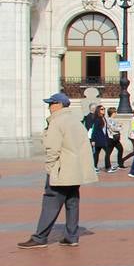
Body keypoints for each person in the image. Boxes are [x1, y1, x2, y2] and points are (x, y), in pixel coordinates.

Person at [18, 92, 98, 249]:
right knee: (72, 201)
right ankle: (71, 236)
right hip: (74, 170)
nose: (49, 107)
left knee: (51, 201)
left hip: (61, 169)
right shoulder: (76, 121)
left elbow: (52, 148)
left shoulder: (57, 122)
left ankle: (40, 237)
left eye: (51, 103)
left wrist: (50, 167)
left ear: (60, 105)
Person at [88, 104, 115, 172]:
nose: (103, 110)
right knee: (100, 153)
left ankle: (97, 166)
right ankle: (107, 167)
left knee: (98, 153)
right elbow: (95, 130)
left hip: (103, 139)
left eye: (104, 109)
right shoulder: (97, 119)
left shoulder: (103, 118)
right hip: (98, 139)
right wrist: (93, 140)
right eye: (102, 109)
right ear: (98, 111)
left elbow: (105, 129)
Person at [105, 107, 125, 171]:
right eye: (115, 112)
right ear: (112, 113)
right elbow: (113, 128)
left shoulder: (113, 120)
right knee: (108, 152)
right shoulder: (109, 120)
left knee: (120, 149)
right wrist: (119, 127)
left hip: (115, 138)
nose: (116, 113)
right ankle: (108, 166)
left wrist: (118, 126)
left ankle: (120, 164)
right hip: (111, 138)